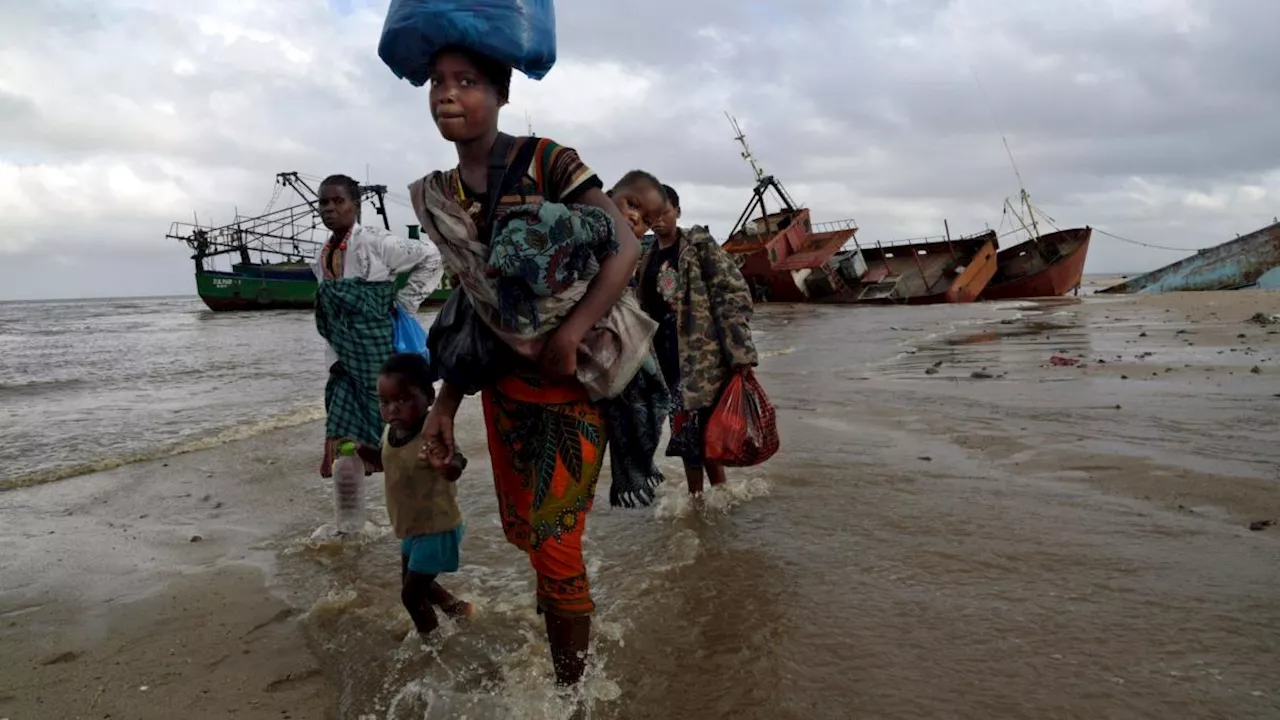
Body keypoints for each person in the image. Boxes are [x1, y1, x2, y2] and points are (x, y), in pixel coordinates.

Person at [406, 45, 647, 687]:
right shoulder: (444, 193)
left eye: (468, 82)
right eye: (437, 82)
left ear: (502, 93)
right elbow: (473, 310)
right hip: (505, 393)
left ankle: (570, 697)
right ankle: (564, 659)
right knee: (532, 539)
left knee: (556, 544)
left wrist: (572, 330)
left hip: (577, 385)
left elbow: (623, 245)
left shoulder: (548, 160)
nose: (448, 94)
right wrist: (444, 406)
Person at [312, 175, 443, 478]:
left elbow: (432, 256)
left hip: (374, 345)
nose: (329, 208)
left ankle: (407, 474)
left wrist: (406, 303)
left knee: (385, 410)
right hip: (342, 354)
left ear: (355, 206)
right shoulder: (321, 254)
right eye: (323, 202)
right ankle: (354, 504)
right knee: (341, 423)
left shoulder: (375, 241)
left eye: (338, 201)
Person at [639, 184, 759, 495]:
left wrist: (741, 354)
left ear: (678, 211)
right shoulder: (647, 256)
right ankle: (700, 499)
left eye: (665, 211)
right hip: (665, 355)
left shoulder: (698, 247)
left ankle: (714, 496)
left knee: (701, 426)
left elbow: (732, 294)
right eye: (652, 214)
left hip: (701, 355)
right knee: (685, 428)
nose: (659, 219)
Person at [377, 353, 472, 638]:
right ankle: (456, 609)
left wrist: (447, 468)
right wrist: (363, 454)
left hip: (436, 527)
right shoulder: (391, 432)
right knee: (415, 583)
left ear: (429, 397)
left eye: (402, 400)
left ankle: (434, 646)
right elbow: (394, 463)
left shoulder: (431, 435)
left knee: (411, 595)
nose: (392, 409)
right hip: (412, 527)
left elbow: (458, 461)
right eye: (384, 402)